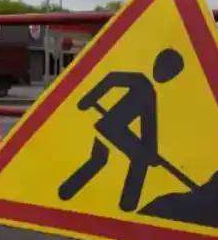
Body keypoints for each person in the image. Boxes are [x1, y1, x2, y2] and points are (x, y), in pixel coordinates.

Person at [58, 48, 184, 212]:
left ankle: (66, 192)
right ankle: (127, 205)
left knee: (99, 160)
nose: (166, 76)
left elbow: (148, 127)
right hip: (112, 127)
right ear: (157, 63)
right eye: (167, 70)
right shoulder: (141, 82)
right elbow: (112, 78)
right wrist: (88, 99)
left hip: (111, 128)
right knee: (138, 159)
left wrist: (152, 153)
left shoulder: (150, 94)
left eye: (171, 74)